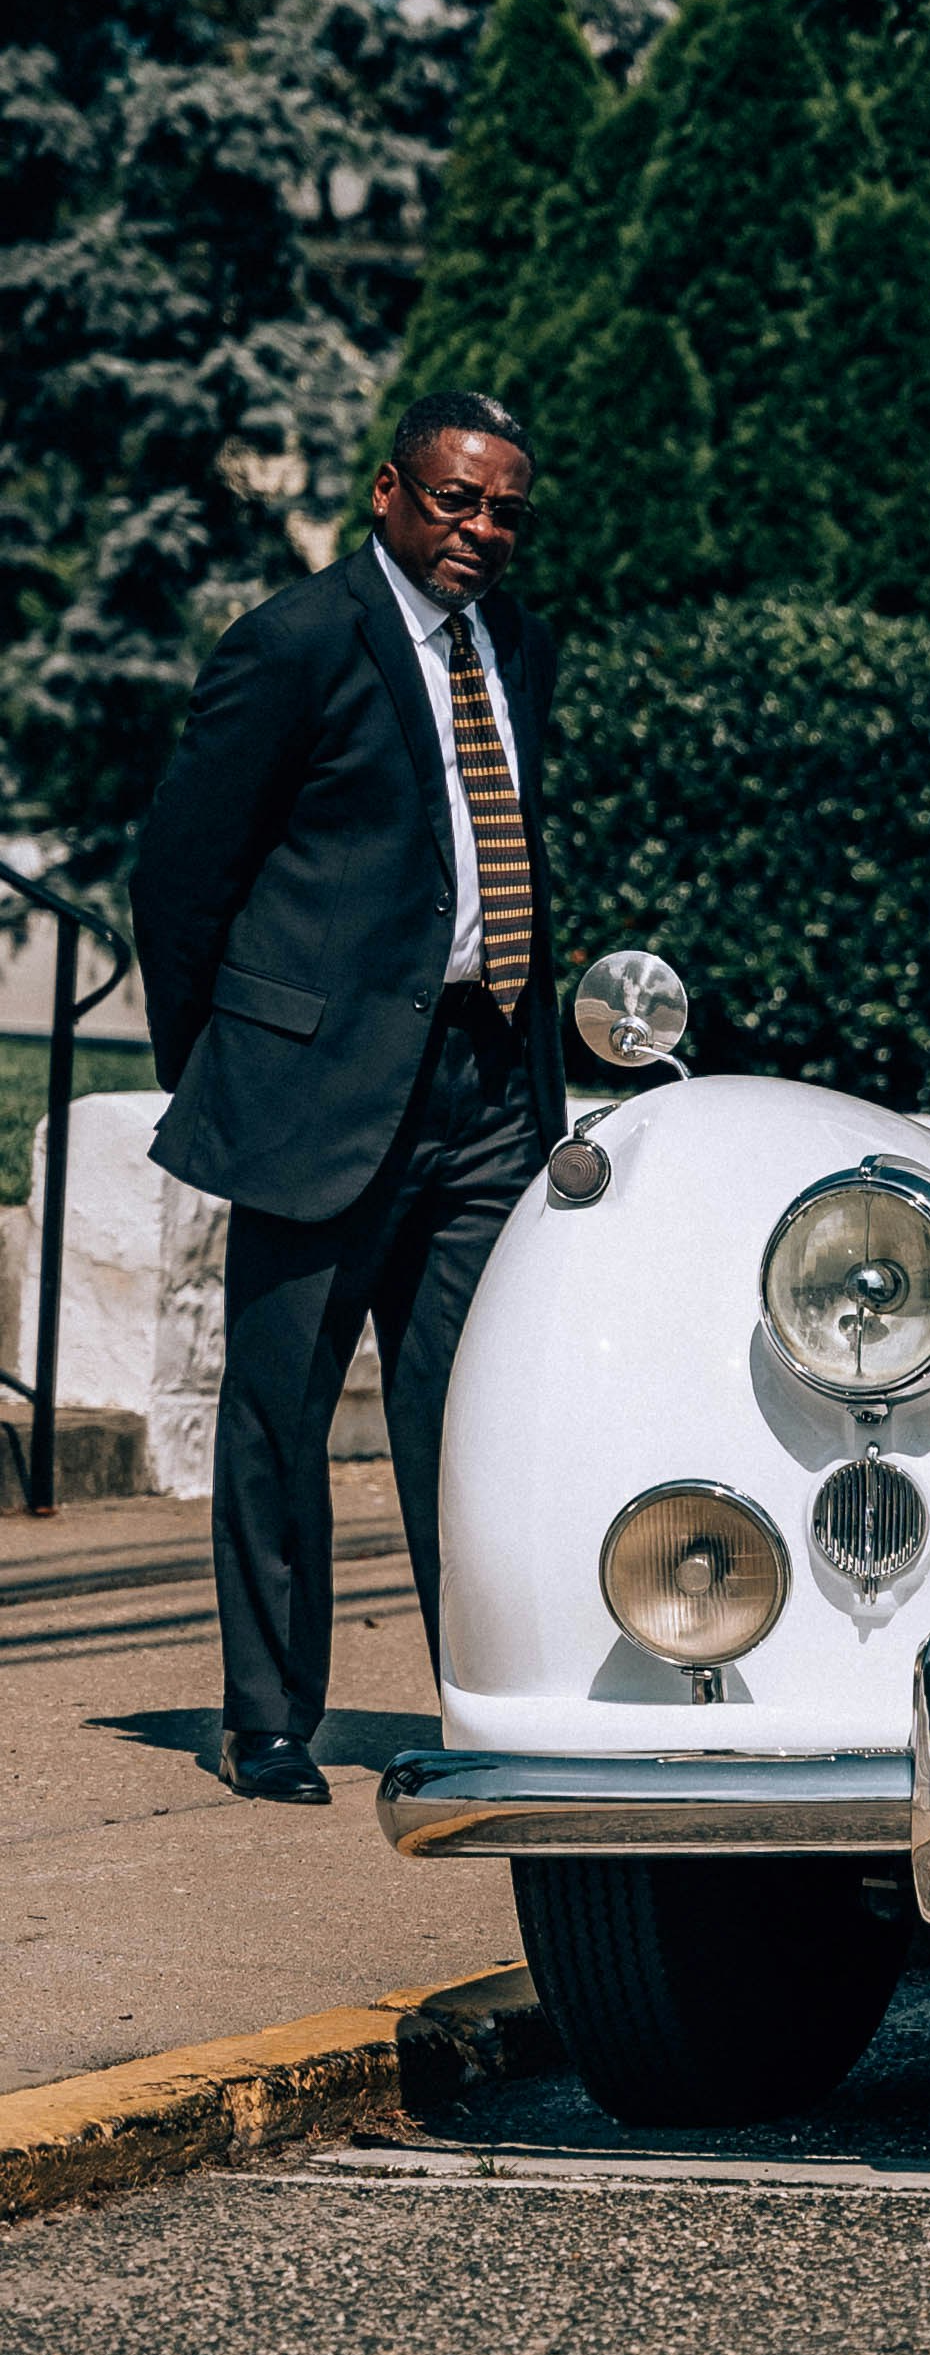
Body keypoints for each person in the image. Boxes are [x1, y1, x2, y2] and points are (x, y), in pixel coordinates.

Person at [132, 390, 562, 1804]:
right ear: (390, 490)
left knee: (475, 1420)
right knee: (278, 1414)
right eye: (456, 499)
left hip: (483, 1088)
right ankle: (268, 1718)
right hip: (317, 1095)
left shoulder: (519, 645)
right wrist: (226, 1059)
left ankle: (494, 1710)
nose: (480, 531)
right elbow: (182, 873)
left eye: (504, 508)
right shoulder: (294, 640)